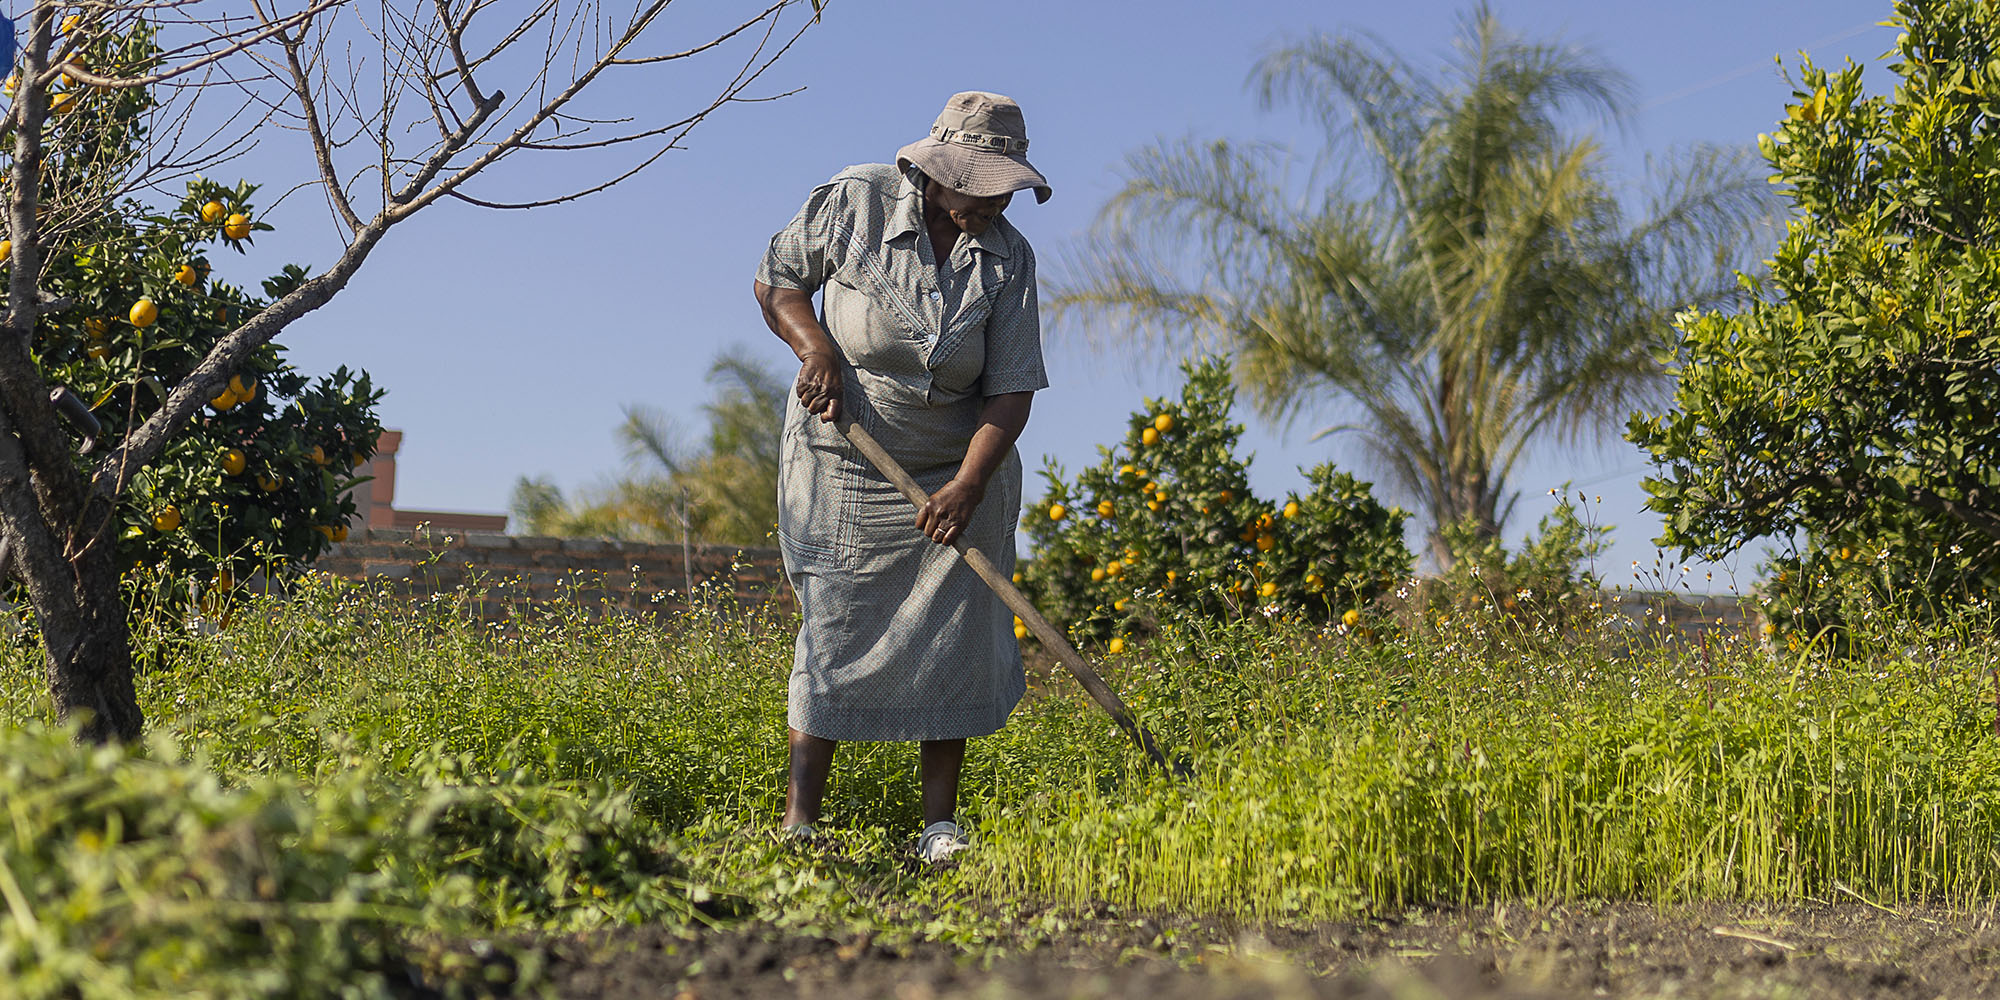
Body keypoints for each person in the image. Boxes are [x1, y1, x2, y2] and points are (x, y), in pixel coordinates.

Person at [752, 91, 1050, 863]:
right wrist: (815, 350)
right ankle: (801, 822)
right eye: (979, 186)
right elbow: (778, 281)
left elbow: (1010, 388)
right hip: (846, 450)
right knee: (835, 623)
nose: (991, 202)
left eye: (1004, 189)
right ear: (939, 172)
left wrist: (970, 485)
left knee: (953, 633)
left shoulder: (1010, 260)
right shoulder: (854, 202)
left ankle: (938, 827)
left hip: (962, 467)